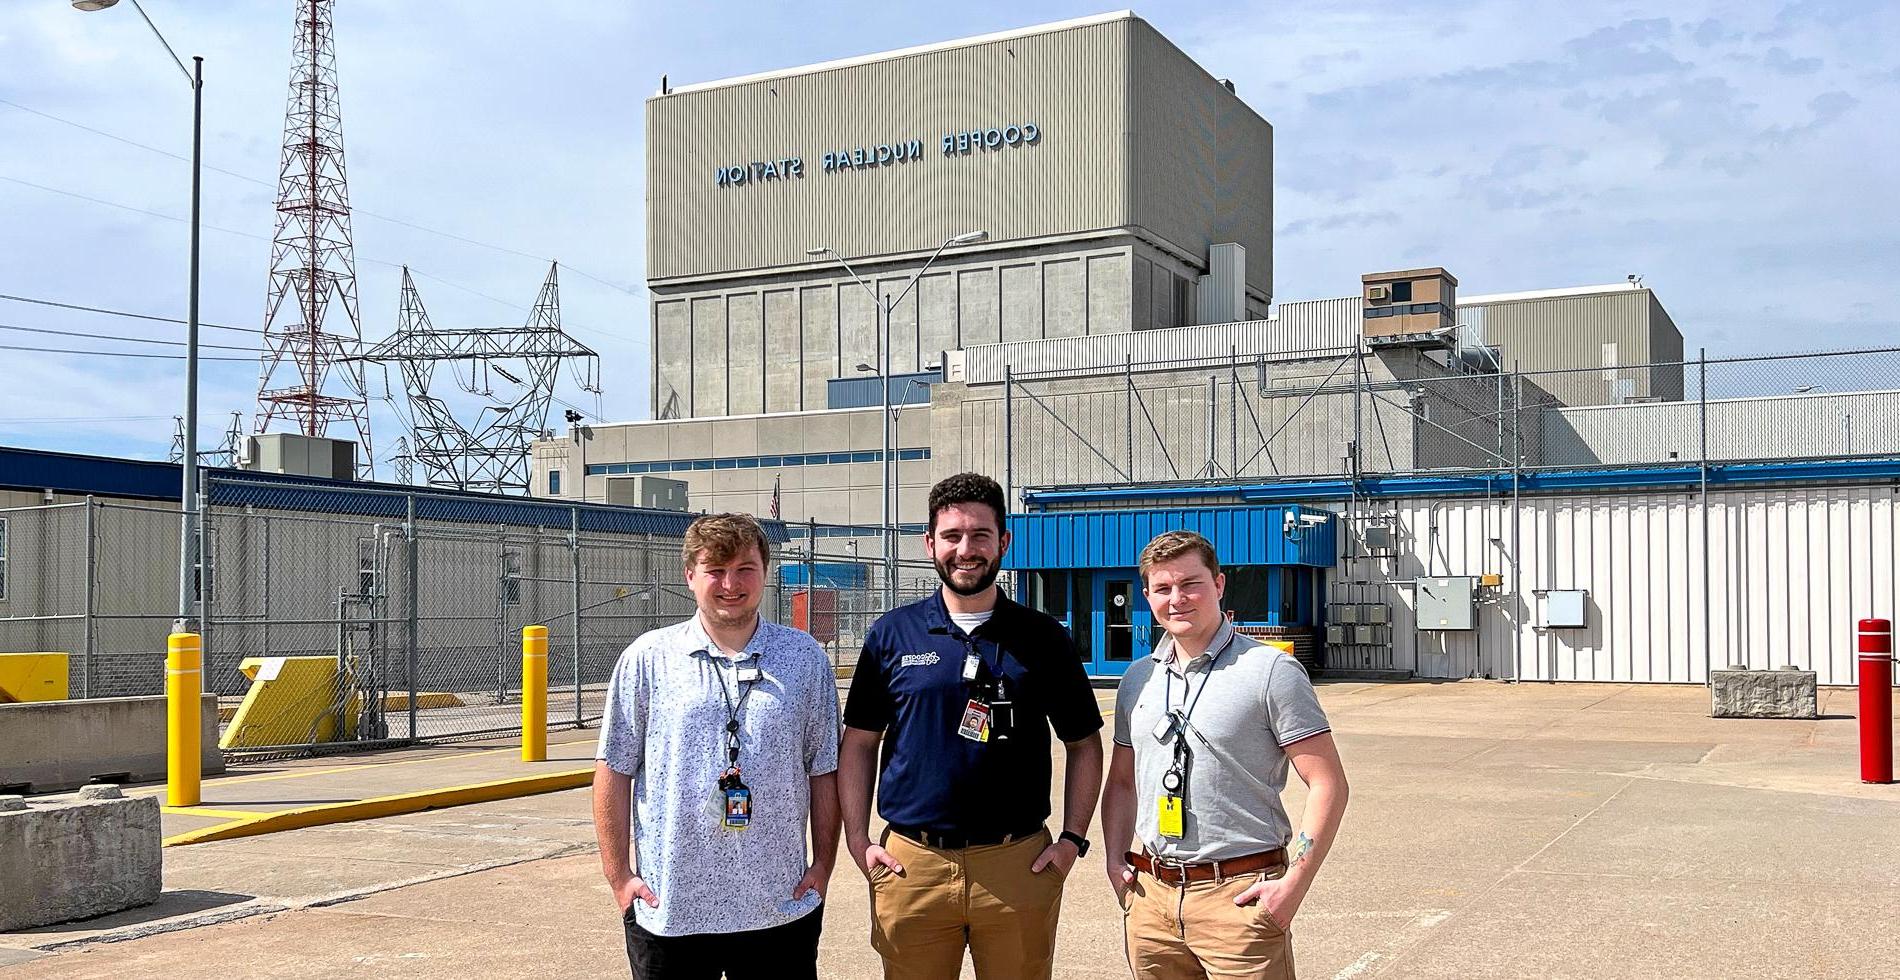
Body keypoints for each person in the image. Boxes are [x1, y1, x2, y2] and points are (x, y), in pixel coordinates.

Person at [839, 472, 1105, 979]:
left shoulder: (1043, 637)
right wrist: (858, 839)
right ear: (930, 543)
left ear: (1004, 541)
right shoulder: (892, 634)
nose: (967, 549)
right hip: (912, 865)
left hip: (1017, 864)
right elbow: (858, 743)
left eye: (981, 535)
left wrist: (1072, 840)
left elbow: (1085, 744)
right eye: (953, 536)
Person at [592, 513, 841, 979]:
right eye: (715, 570)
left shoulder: (804, 657)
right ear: (690, 577)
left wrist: (824, 864)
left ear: (765, 572)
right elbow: (614, 769)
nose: (731, 583)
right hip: (673, 911)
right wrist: (619, 876)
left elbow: (823, 768)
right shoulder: (648, 659)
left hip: (778, 906)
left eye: (745, 568)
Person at [1102, 530, 1350, 980]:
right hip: (1152, 901)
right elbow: (1121, 781)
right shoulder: (1138, 679)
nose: (1177, 599)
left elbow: (1328, 782)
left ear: (1218, 585)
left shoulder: (1270, 670)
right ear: (1147, 596)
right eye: (1162, 588)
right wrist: (1114, 857)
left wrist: (1294, 884)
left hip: (1239, 897)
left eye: (1190, 584)